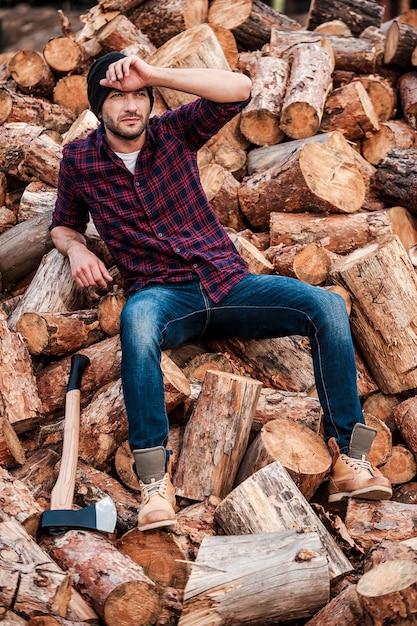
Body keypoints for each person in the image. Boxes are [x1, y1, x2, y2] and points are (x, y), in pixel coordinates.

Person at [50, 51, 392, 531]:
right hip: (164, 296)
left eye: (138, 96)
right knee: (137, 322)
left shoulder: (174, 131)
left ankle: (349, 460)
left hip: (229, 284)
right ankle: (154, 483)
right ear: (97, 106)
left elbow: (238, 88)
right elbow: (63, 225)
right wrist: (76, 250)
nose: (130, 106)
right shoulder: (80, 160)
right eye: (116, 97)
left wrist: (154, 73)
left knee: (327, 305)